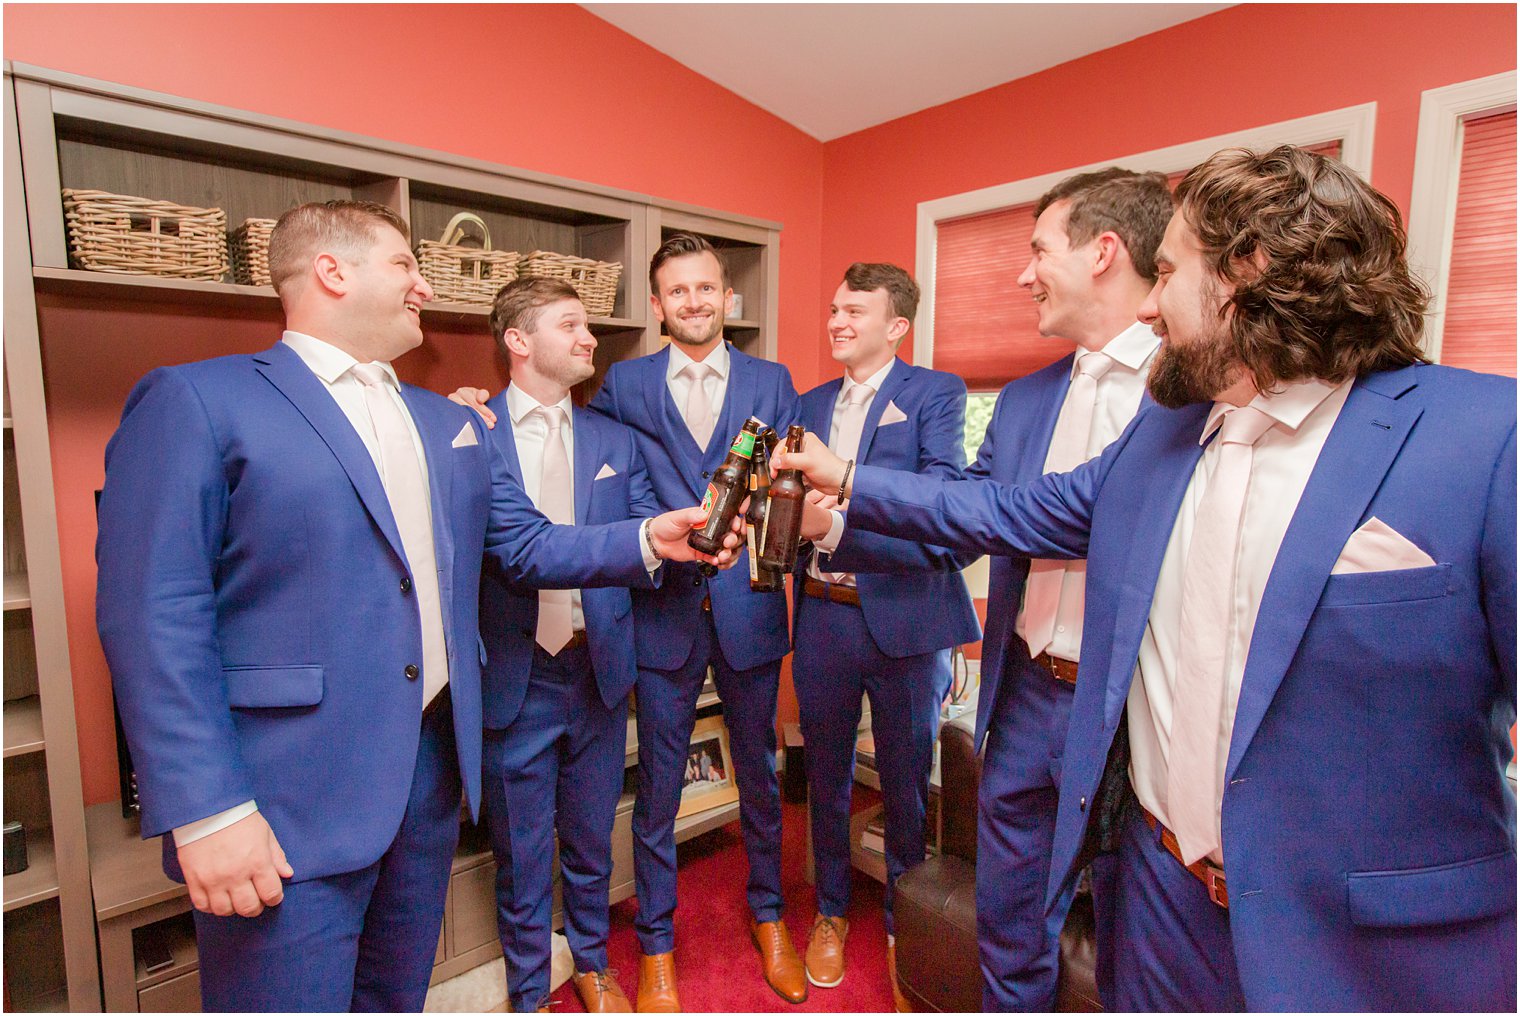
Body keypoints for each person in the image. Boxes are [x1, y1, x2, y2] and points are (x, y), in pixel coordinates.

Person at [775, 146, 1516, 1011]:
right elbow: (1010, 512)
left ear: (1252, 270)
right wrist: (852, 481)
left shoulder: (1484, 438)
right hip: (1162, 896)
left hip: (1356, 939)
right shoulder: (1166, 434)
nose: (1152, 302)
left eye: (1167, 274)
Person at [96, 201, 735, 1012]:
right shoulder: (200, 400)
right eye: (404, 266)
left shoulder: (447, 424)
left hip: (429, 786)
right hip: (287, 802)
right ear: (333, 271)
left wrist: (653, 536)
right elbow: (154, 611)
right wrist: (206, 810)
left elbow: (528, 544)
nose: (425, 287)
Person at [451, 233, 802, 1011]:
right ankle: (653, 947)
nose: (695, 302)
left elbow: (785, 485)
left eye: (707, 288)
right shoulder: (617, 387)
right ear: (659, 305)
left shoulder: (772, 380)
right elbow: (597, 516)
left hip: (739, 610)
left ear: (727, 296)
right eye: (678, 291)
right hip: (653, 619)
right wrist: (466, 408)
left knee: (763, 780)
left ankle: (770, 914)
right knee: (653, 796)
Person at [963, 168, 1172, 1011]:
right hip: (1024, 697)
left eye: (1038, 250)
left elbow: (1065, 518)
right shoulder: (1023, 398)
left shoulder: (1190, 392)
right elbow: (973, 513)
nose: (1022, 275)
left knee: (1139, 945)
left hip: (1131, 716)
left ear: (1103, 252)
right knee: (1008, 925)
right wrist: (836, 523)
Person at [788, 263, 979, 1006]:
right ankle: (831, 911)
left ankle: (908, 916)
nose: (836, 321)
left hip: (909, 616)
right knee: (826, 775)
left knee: (906, 784)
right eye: (833, 308)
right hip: (825, 618)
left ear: (896, 325)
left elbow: (938, 504)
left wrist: (837, 521)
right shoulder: (805, 401)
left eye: (854, 311)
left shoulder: (934, 393)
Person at [476, 278, 665, 1013]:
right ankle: (528, 990)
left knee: (591, 841)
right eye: (571, 325)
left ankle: (591, 963)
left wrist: (677, 542)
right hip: (514, 675)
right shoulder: (468, 432)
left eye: (589, 325)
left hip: (597, 669)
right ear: (519, 342)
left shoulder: (616, 440)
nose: (590, 339)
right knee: (522, 856)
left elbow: (649, 536)